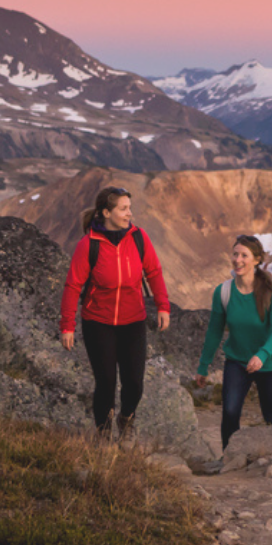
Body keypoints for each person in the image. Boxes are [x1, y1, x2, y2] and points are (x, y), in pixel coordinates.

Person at [60, 185, 170, 441]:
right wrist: (67, 325)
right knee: (106, 383)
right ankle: (103, 433)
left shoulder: (139, 237)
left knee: (134, 384)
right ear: (106, 212)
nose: (129, 214)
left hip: (133, 322)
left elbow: (153, 271)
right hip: (98, 323)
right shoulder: (88, 245)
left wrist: (163, 306)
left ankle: (126, 419)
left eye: (129, 208)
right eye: (123, 209)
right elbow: (73, 285)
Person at [195, 234, 272, 449]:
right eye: (235, 254)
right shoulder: (224, 291)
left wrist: (262, 355)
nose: (238, 260)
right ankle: (229, 457)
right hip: (237, 360)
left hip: (271, 363)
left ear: (257, 260)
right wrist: (203, 365)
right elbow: (214, 330)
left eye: (244, 255)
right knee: (229, 412)